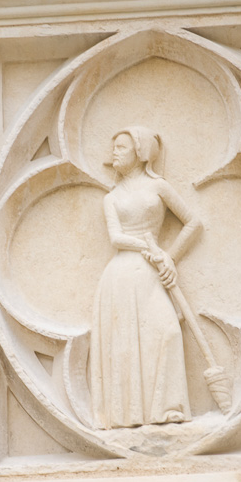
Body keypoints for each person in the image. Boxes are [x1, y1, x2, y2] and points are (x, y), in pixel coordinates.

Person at [88, 126, 202, 429]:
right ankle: (128, 414)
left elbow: (192, 222)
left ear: (140, 152)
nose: (114, 152)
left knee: (167, 332)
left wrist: (170, 257)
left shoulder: (158, 187)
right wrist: (147, 246)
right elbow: (116, 238)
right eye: (114, 147)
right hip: (123, 273)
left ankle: (168, 408)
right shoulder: (111, 197)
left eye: (122, 147)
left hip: (150, 272)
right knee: (125, 343)